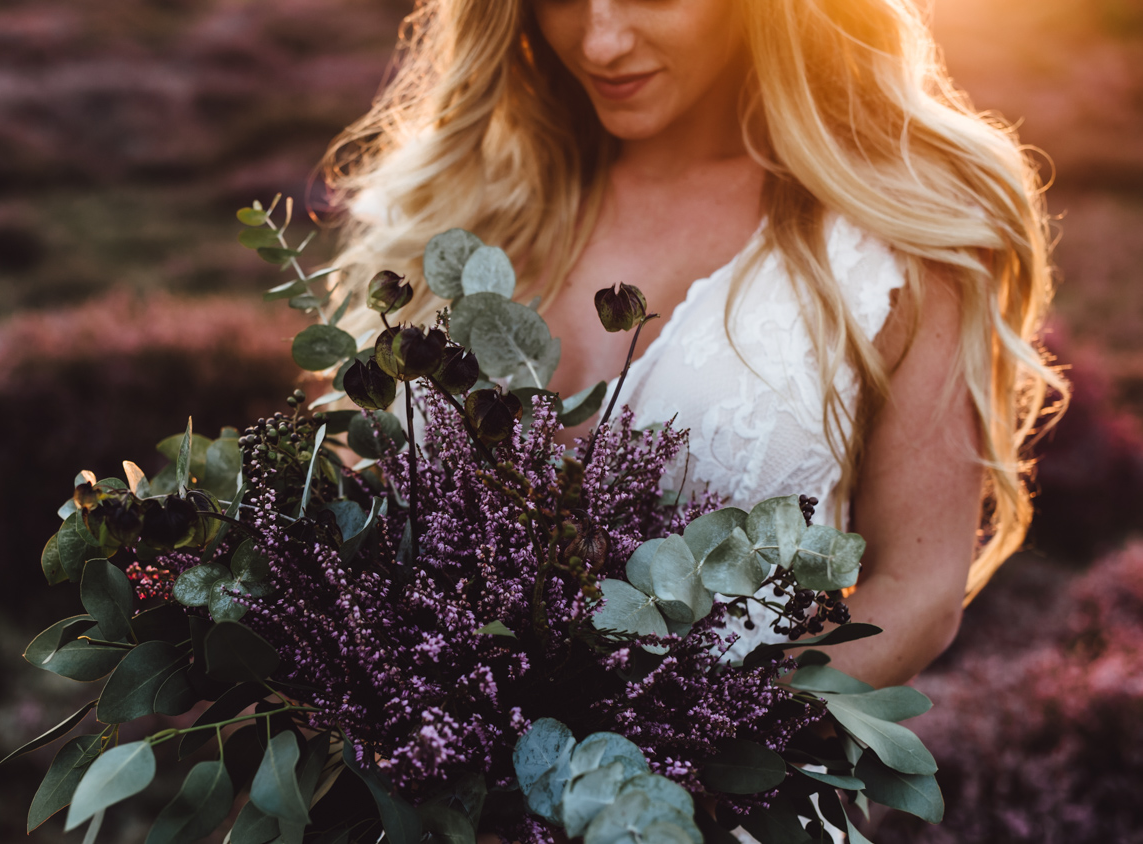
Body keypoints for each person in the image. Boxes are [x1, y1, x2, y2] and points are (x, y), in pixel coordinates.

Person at [321, 0, 1067, 691]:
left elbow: (917, 592)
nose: (600, 40)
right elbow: (360, 515)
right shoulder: (455, 202)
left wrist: (670, 750)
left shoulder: (903, 232)